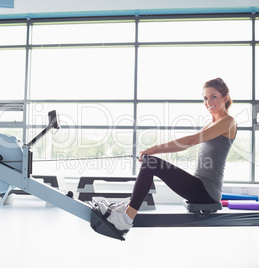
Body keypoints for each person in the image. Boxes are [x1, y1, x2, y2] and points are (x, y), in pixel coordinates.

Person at [98, 77, 237, 233]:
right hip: (200, 186)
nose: (208, 101)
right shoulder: (211, 124)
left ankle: (126, 218)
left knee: (151, 163)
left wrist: (155, 149)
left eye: (213, 97)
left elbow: (191, 141)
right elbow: (185, 145)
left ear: (225, 98)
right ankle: (127, 212)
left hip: (207, 191)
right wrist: (155, 150)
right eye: (205, 98)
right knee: (151, 163)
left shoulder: (228, 122)